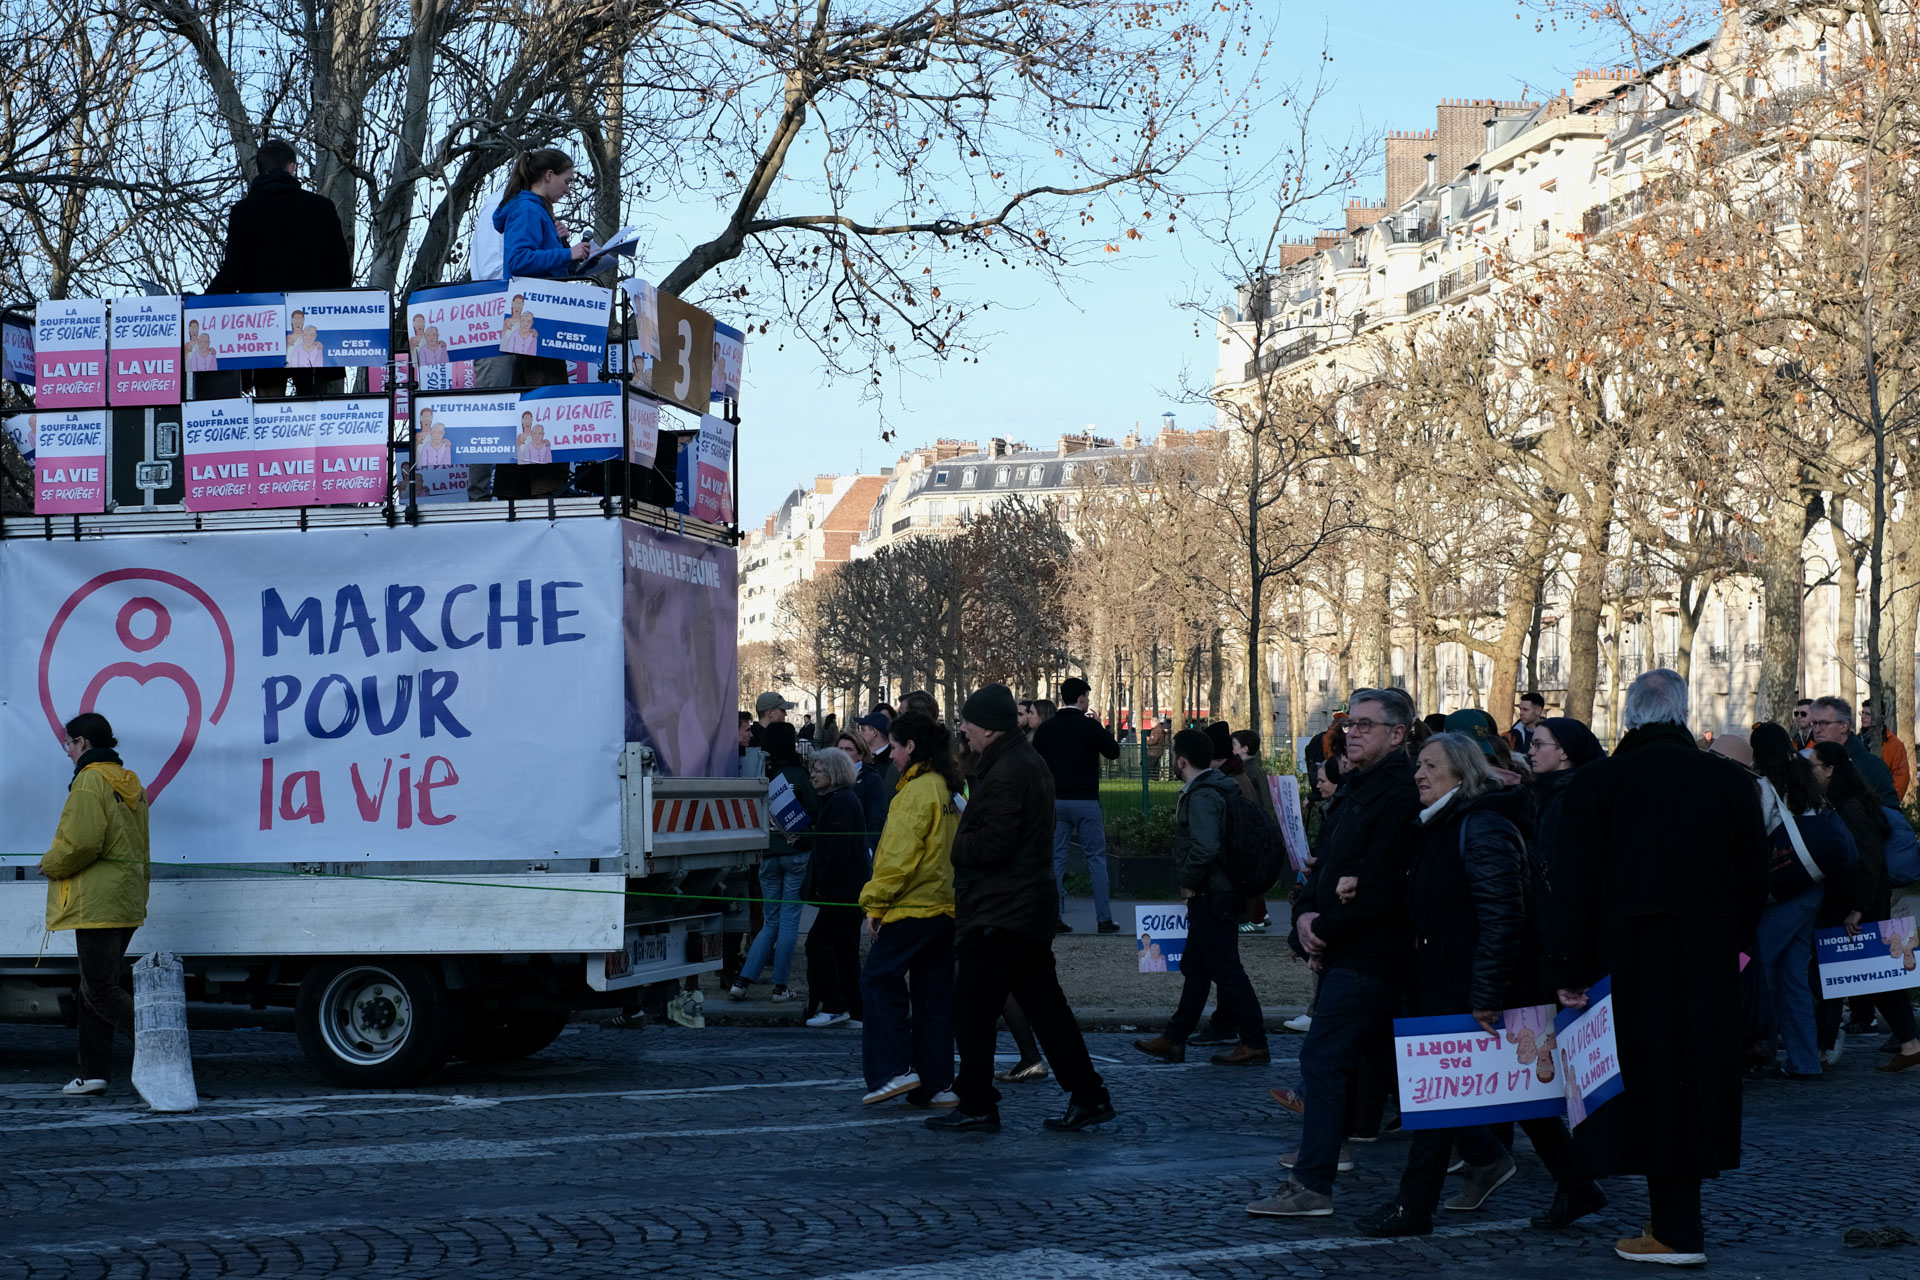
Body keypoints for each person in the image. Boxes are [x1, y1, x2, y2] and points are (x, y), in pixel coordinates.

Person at [1548, 670, 1768, 1266]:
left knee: (1643, 1089)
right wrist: (1740, 946)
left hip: (1624, 960)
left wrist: (1567, 966)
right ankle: (1675, 1218)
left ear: (1628, 717)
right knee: (1692, 1083)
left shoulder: (1597, 784)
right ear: (1682, 712)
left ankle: (1675, 1229)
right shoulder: (1727, 781)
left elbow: (1573, 884)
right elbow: (1756, 877)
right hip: (1707, 958)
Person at [1355, 732, 1604, 1237]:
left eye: (1430, 765)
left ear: (1461, 774)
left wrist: (1485, 994)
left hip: (1474, 987)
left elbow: (1502, 917)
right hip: (1455, 981)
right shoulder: (1442, 825)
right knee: (1515, 1097)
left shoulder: (1482, 826)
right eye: (1418, 765)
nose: (1419, 774)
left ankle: (1414, 1205)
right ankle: (1577, 1184)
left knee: (1438, 1097)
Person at [1251, 688, 1422, 1218]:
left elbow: (1382, 886)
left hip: (1372, 952)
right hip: (1344, 945)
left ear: (1397, 734)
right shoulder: (1354, 788)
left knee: (1325, 1059)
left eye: (1366, 725)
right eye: (1350, 723)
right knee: (1373, 1059)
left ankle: (1313, 1182)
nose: (1352, 732)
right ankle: (1486, 1155)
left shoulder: (1398, 793)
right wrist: (1304, 918)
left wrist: (1320, 925)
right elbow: (1321, 867)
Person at [928, 685, 1115, 1134]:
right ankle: (1087, 1095)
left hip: (1002, 911)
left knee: (973, 1009)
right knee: (1046, 1008)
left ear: (988, 727)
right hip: (1020, 907)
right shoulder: (1016, 761)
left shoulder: (1010, 768)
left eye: (968, 724)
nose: (963, 732)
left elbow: (994, 841)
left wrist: (958, 844)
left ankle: (977, 1103)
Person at [1133, 728, 1271, 1070]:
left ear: (1180, 759)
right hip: (1215, 892)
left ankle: (1254, 1041)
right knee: (1197, 968)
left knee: (1226, 970)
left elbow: (1206, 846)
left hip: (1212, 893)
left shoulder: (1202, 795)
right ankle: (1175, 1038)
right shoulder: (1212, 789)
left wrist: (1189, 881)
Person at [38, 713, 150, 1096]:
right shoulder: (129, 781)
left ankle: (160, 1040)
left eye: (68, 744)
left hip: (98, 902)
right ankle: (93, 1073)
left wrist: (51, 865)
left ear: (83, 742)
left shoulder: (89, 781)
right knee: (93, 988)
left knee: (99, 990)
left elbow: (83, 842)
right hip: (125, 897)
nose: (67, 752)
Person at [858, 711, 960, 1107]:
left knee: (877, 981)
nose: (893, 756)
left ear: (911, 747)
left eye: (896, 748)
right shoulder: (949, 787)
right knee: (934, 995)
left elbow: (897, 856)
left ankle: (894, 1071)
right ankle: (937, 1082)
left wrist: (875, 903)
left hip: (912, 906)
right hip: (945, 907)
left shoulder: (915, 794)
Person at [479, 147, 588, 500]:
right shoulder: (527, 208)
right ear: (548, 176)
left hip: (540, 321)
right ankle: (547, 487)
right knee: (543, 403)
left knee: (537, 402)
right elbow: (519, 260)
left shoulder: (532, 209)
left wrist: (563, 248)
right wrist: (566, 253)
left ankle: (524, 489)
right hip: (535, 322)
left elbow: (540, 261)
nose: (569, 189)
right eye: (567, 180)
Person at [203, 137, 351, 399]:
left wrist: (200, 305)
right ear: (291, 167)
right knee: (316, 406)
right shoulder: (321, 208)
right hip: (314, 323)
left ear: (259, 170)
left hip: (261, 328)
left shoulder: (243, 212)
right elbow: (340, 270)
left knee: (268, 408)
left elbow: (232, 273)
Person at [1750, 723, 1856, 1079]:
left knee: (1757, 965)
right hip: (1813, 886)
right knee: (1792, 975)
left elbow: (1757, 835)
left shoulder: (1764, 787)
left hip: (1784, 890)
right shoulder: (1806, 780)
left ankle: (1755, 1046)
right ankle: (1804, 1061)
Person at [1807, 740, 1920, 1071]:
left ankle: (1824, 1049)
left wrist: (1857, 908)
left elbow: (1868, 863)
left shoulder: (1852, 808)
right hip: (1862, 902)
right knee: (1877, 978)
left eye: (1814, 765)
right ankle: (1910, 1043)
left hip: (1858, 905)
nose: (1810, 772)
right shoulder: (1850, 803)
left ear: (1829, 770)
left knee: (1831, 974)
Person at [730, 722, 817, 1002]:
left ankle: (742, 980)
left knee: (770, 922)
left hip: (766, 855)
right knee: (790, 922)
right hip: (796, 854)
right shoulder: (798, 774)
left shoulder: (758, 773)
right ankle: (781, 986)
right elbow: (816, 811)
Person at [1031, 677, 1121, 935]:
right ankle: (1104, 919)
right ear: (1081, 698)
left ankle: (1056, 916)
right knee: (1096, 858)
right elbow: (1113, 751)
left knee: (1057, 859)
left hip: (1057, 801)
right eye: (1087, 697)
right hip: (1086, 800)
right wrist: (1100, 727)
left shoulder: (1047, 729)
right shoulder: (1088, 726)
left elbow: (1035, 761)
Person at [802, 746, 868, 1028]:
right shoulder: (842, 799)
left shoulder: (840, 802)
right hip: (848, 889)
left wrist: (824, 884)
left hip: (841, 891)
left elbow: (837, 851)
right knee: (845, 950)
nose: (812, 776)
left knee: (818, 944)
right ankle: (855, 1009)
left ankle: (834, 1004)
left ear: (833, 772)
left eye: (817, 770)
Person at [1526, 716, 1603, 877]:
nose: (1530, 752)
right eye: (1532, 744)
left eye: (1538, 744)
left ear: (1563, 751)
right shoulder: (1538, 790)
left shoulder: (1574, 796)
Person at [1809, 696, 1898, 808]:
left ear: (1844, 726)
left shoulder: (1872, 766)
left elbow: (1890, 813)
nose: (1817, 730)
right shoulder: (1808, 761)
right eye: (1814, 723)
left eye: (1824, 723)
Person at [1859, 699, 1912, 802]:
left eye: (1868, 714)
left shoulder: (1895, 745)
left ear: (1879, 718)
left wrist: (1889, 802)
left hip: (1883, 804)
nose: (1863, 717)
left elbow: (1901, 778)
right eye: (1862, 713)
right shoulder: (1856, 742)